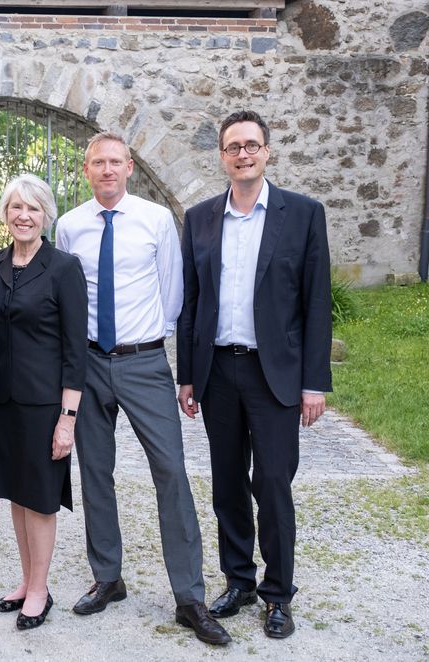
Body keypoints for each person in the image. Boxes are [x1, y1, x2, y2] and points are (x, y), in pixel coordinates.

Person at [55, 132, 231, 646]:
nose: (106, 170)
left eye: (115, 162)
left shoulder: (155, 220)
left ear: (129, 167)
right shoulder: (69, 226)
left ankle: (189, 596)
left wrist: (157, 348)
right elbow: (69, 295)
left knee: (171, 471)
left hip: (144, 360)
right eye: (97, 163)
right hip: (88, 362)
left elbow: (172, 290)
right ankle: (108, 577)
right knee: (95, 472)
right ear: (86, 169)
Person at [176, 110, 332, 640]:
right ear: (222, 156)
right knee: (226, 485)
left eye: (251, 145)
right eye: (232, 147)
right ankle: (238, 580)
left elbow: (316, 303)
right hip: (219, 369)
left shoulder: (303, 215)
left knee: (271, 483)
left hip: (275, 375)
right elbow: (191, 304)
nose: (242, 154)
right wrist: (188, 375)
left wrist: (315, 382)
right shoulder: (198, 218)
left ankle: (278, 594)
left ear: (267, 152)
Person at [0, 174, 87, 630]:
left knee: (40, 499)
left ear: (46, 216)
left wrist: (68, 419)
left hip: (45, 406)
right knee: (17, 495)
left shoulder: (64, 268)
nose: (24, 216)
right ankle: (26, 581)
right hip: (0, 404)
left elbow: (75, 351)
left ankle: (40, 590)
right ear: (5, 214)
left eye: (33, 208)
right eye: (16, 207)